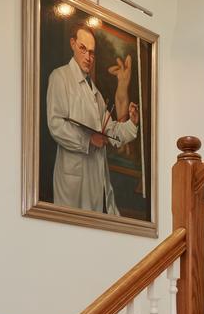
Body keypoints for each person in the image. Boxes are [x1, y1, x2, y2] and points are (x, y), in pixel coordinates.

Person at [46, 20, 139, 213]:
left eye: (92, 52)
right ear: (72, 44)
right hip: (73, 180)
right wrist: (89, 140)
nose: (88, 57)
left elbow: (111, 131)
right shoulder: (60, 77)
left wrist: (132, 122)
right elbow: (55, 125)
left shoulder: (95, 93)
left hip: (96, 181)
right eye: (83, 49)